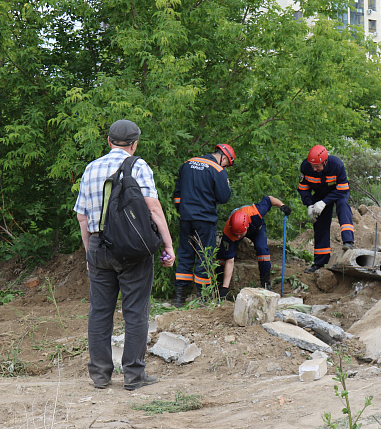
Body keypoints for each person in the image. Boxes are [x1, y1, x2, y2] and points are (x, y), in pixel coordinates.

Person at [74, 119, 175, 391]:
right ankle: (133, 375)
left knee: (99, 312)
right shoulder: (138, 166)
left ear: (108, 141)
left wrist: (89, 253)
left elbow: (82, 218)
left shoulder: (91, 168)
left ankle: (100, 375)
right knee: (135, 312)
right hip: (132, 249)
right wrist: (168, 245)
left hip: (97, 246)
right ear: (134, 143)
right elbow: (152, 209)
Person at [173, 144, 234, 307]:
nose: (226, 166)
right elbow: (223, 197)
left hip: (186, 218)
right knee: (204, 256)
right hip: (205, 219)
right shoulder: (217, 169)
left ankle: (179, 298)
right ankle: (202, 298)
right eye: (227, 163)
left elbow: (177, 194)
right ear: (224, 157)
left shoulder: (187, 163)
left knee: (185, 254)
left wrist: (183, 210)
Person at [214, 196, 291, 297]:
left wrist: (282, 205)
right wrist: (225, 287)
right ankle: (219, 286)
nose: (238, 237)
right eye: (236, 234)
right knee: (223, 255)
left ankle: (265, 283)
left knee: (262, 248)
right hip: (237, 230)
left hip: (257, 228)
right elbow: (230, 260)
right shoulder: (229, 232)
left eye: (240, 234)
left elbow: (269, 199)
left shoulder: (255, 212)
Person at [297, 145, 354, 273]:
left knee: (343, 207)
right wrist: (310, 205)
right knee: (320, 223)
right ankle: (320, 262)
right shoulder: (306, 167)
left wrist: (324, 202)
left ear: (325, 161)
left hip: (338, 192)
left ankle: (348, 241)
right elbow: (304, 189)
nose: (314, 169)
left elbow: (342, 189)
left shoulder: (337, 165)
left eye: (317, 166)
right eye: (312, 166)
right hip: (320, 193)